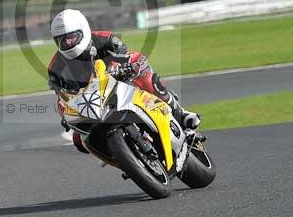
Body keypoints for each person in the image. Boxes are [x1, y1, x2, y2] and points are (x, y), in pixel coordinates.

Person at [47, 9, 200, 151]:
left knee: (147, 77)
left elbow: (127, 55)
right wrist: (65, 114)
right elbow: (61, 96)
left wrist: (124, 67)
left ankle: (180, 114)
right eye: (61, 40)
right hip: (92, 103)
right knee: (79, 141)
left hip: (119, 83)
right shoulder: (56, 67)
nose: (67, 43)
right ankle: (120, 154)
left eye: (71, 37)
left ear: (83, 31)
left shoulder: (104, 38)